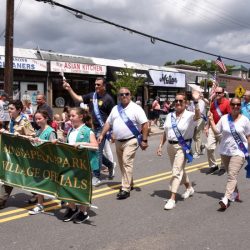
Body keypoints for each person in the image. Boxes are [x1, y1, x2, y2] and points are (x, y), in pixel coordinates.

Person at [98, 87, 149, 199]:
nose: (124, 96)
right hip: (118, 142)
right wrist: (102, 134)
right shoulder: (116, 108)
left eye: (126, 94)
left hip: (131, 140)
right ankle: (129, 182)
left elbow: (145, 124)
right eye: (121, 94)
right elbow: (108, 123)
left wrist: (144, 140)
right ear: (118, 97)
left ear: (130, 95)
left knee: (126, 162)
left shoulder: (136, 108)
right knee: (122, 164)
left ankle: (125, 188)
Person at [63, 77, 115, 186]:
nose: (96, 86)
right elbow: (78, 99)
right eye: (95, 84)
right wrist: (69, 89)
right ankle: (109, 165)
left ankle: (96, 176)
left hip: (102, 129)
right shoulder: (92, 95)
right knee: (93, 150)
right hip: (91, 127)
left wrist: (112, 132)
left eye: (98, 85)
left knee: (96, 151)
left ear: (104, 86)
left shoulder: (109, 99)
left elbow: (113, 117)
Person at [157, 91, 200, 210]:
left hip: (182, 147)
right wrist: (160, 145)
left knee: (176, 171)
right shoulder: (170, 116)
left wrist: (196, 102)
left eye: (181, 101)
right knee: (180, 169)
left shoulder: (190, 115)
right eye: (176, 101)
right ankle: (189, 188)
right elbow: (165, 132)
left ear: (186, 103)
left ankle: (172, 198)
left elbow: (198, 116)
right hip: (170, 147)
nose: (178, 103)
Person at [208, 97, 250, 210]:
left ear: (240, 106)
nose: (235, 106)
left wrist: (248, 150)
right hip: (225, 151)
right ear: (230, 106)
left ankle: (226, 198)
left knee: (232, 174)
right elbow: (217, 131)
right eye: (233, 104)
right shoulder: (224, 118)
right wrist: (211, 121)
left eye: (238, 105)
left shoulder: (245, 120)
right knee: (231, 174)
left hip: (239, 151)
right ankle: (235, 192)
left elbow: (248, 135)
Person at [62, 107, 98, 223]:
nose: (70, 118)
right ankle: (72, 208)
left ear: (81, 117)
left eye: (73, 116)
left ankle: (83, 212)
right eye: (70, 116)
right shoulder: (71, 131)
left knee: (82, 188)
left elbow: (95, 146)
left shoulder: (88, 131)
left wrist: (82, 143)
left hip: (84, 164)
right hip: (71, 163)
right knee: (67, 185)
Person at [0, 100, 35, 209]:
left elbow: (32, 137)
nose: (9, 111)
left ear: (19, 110)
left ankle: (38, 194)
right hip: (11, 154)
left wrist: (18, 136)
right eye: (8, 109)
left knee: (26, 177)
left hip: (22, 156)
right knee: (9, 176)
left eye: (11, 109)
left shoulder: (25, 122)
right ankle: (1, 200)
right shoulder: (11, 120)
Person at [28, 110, 57, 215]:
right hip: (39, 162)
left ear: (46, 118)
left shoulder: (51, 131)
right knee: (39, 183)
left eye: (39, 118)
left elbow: (52, 148)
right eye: (36, 119)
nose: (37, 121)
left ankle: (65, 199)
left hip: (47, 162)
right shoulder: (39, 131)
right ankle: (40, 204)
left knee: (51, 183)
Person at [205, 87, 231, 175]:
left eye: (219, 93)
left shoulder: (227, 103)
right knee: (209, 147)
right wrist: (207, 126)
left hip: (223, 129)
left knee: (223, 149)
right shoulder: (213, 103)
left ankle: (223, 167)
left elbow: (230, 117)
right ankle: (213, 166)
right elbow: (210, 116)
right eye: (216, 93)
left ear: (223, 94)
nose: (217, 94)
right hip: (213, 127)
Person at [192, 93, 208, 159]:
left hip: (201, 119)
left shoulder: (203, 101)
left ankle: (197, 152)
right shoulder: (193, 102)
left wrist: (203, 98)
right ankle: (202, 146)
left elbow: (209, 103)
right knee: (194, 136)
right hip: (194, 119)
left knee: (197, 136)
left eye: (196, 94)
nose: (194, 95)